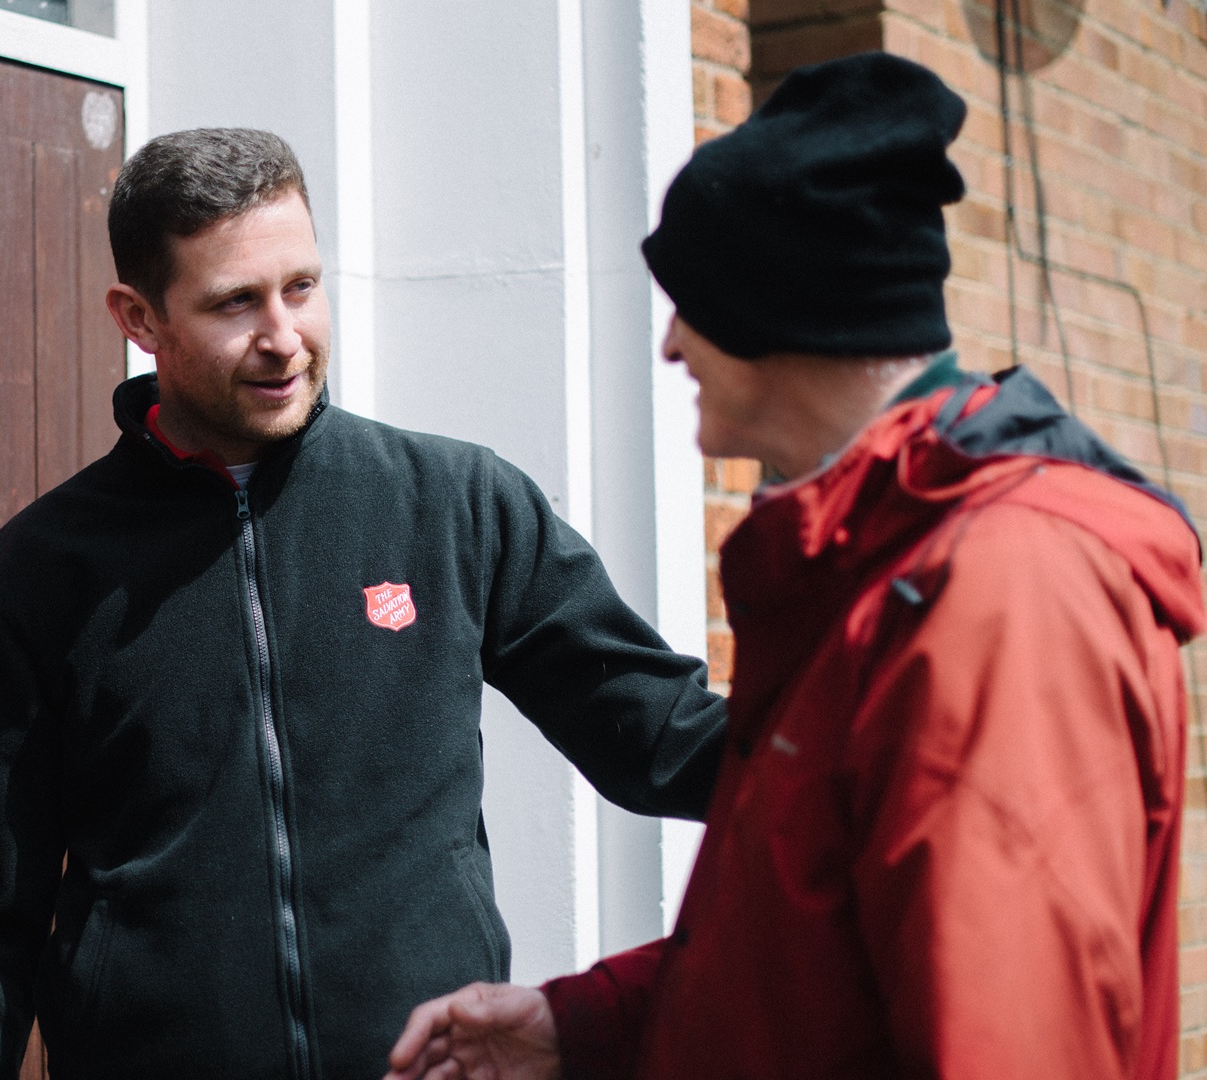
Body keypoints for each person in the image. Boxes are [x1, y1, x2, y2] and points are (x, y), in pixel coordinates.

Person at [383, 52, 1204, 1080]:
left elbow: (1004, 1039)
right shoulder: (877, 566)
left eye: (693, 304)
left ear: (785, 314)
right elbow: (815, 957)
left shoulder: (1001, 599)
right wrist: (588, 1024)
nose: (674, 344)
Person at [0, 128, 727, 1080]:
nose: (284, 336)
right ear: (139, 317)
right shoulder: (40, 573)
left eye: (301, 286)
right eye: (235, 303)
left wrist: (871, 755)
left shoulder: (456, 504)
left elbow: (659, 734)